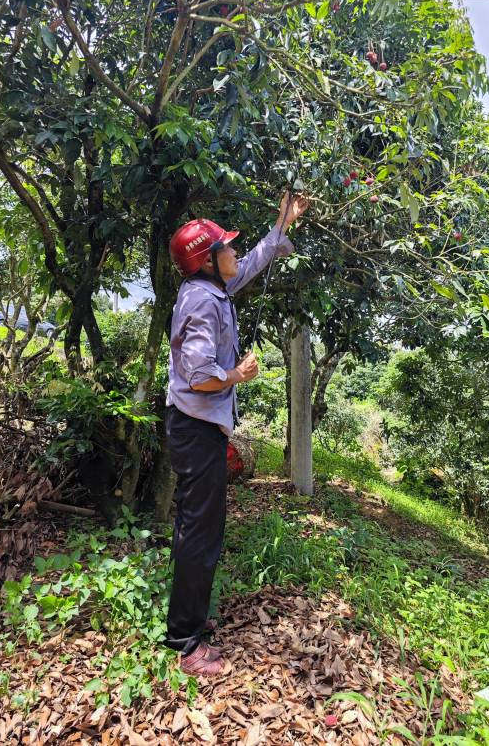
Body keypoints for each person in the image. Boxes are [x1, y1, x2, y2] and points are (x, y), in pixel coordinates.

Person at [164, 192, 309, 676]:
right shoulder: (202, 303)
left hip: (200, 428)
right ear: (207, 260)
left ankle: (192, 620)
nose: (233, 253)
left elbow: (253, 262)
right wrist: (235, 375)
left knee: (204, 529)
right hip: (195, 427)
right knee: (199, 534)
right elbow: (198, 372)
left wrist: (282, 223)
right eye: (225, 247)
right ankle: (185, 642)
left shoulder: (213, 287)